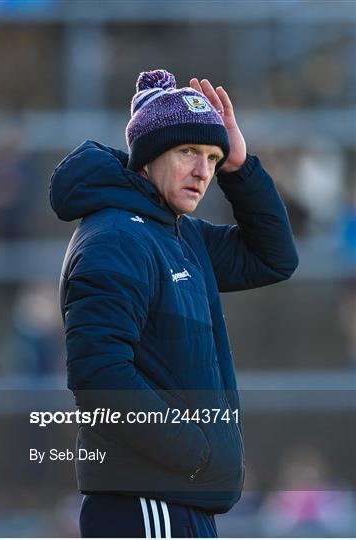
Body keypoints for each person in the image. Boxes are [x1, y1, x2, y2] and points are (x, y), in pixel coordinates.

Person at [50, 69, 298, 538]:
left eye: (212, 156)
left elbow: (274, 258)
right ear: (149, 155)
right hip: (148, 506)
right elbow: (99, 377)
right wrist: (194, 452)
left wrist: (240, 169)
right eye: (188, 152)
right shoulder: (116, 240)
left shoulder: (180, 236)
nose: (203, 171)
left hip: (177, 503)